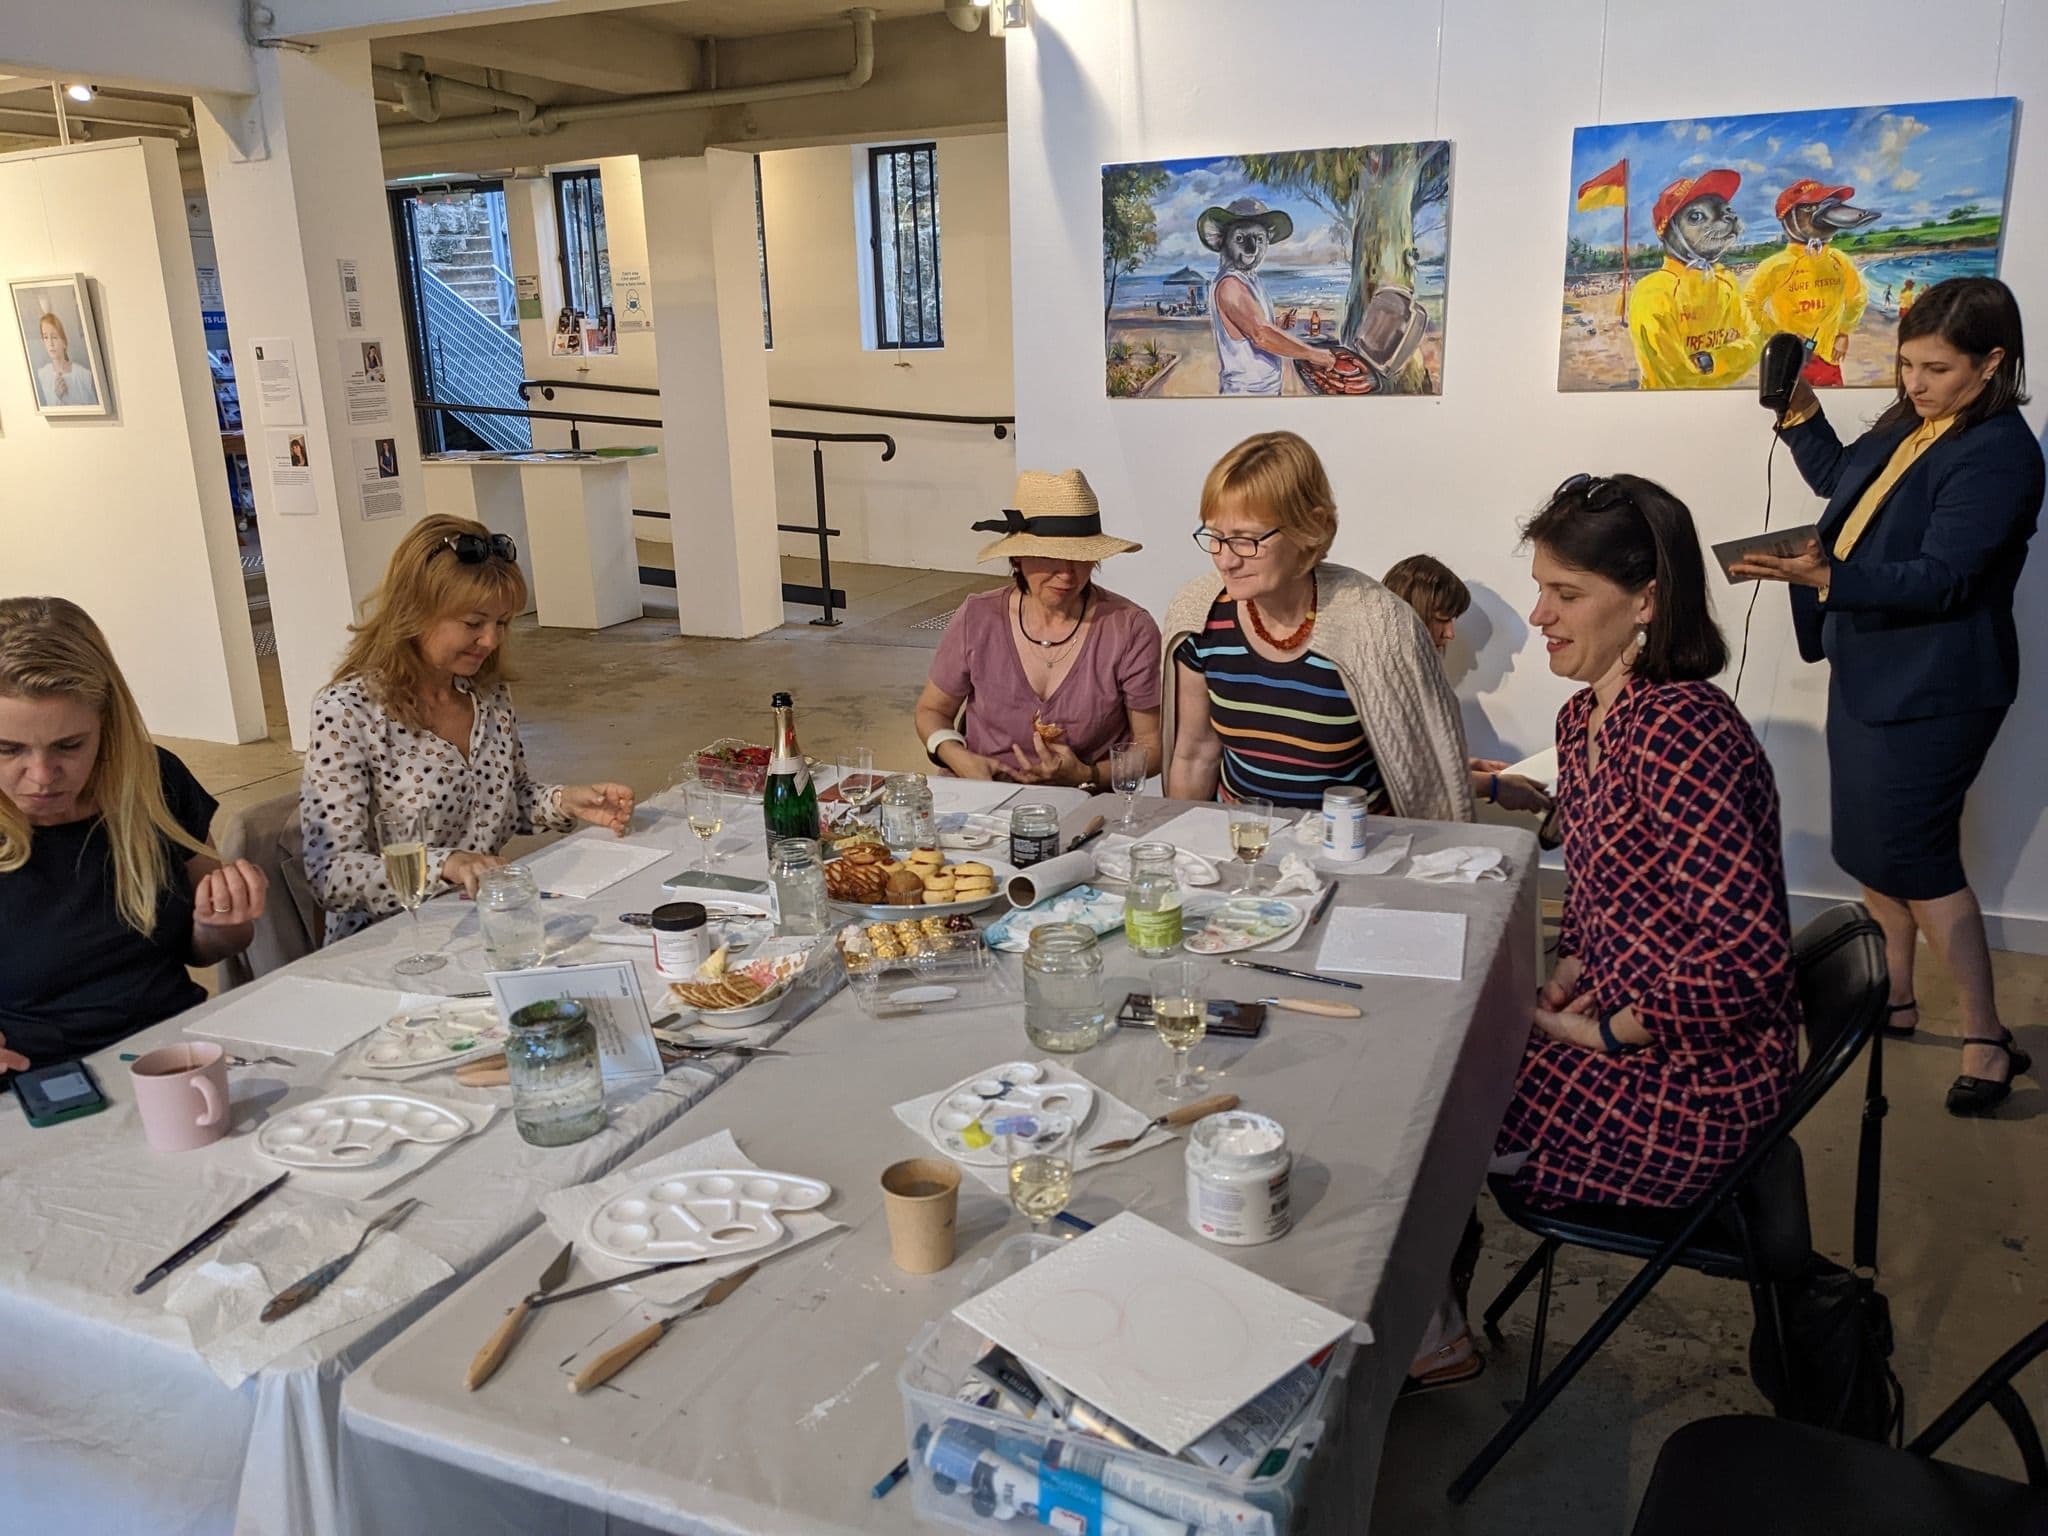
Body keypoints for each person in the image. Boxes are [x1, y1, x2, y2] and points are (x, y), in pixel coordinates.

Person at [1412, 475, 1800, 1390]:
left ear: (1648, 601)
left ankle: (1427, 1334)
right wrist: (1571, 967)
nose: (1540, 613)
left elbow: (1747, 963)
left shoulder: (1684, 733)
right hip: (1629, 1028)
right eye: (1543, 586)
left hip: (1694, 1082)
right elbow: (1598, 886)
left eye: (1567, 593)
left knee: (1428, 1113)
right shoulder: (1586, 717)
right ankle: (1433, 1315)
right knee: (1432, 1068)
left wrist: (1606, 1030)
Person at [1733, 276, 2043, 1115]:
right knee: (1866, 850)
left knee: (1917, 857)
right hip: (1870, 667)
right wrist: (1799, 413)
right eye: (1906, 365)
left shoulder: (2003, 454)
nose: (1914, 383)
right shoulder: (1915, 422)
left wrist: (1827, 575)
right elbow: (1846, 482)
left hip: (1938, 685)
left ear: (1993, 363)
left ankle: (1986, 1035)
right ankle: (1893, 997)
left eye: (1937, 369)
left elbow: (1944, 579)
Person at [300, 515, 636, 944]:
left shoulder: (487, 695)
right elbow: (331, 874)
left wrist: (566, 802)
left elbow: (508, 799)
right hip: (391, 943)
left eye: (503, 623)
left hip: (481, 929)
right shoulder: (348, 713)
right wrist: (446, 864)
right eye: (474, 624)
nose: (491, 641)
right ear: (415, 612)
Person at [0, 597, 268, 1071]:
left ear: (107, 724)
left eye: (70, 745)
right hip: (41, 1083)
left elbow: (205, 949)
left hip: (177, 1052)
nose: (41, 776)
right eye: (7, 749)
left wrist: (220, 922)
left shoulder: (152, 781)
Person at [1163, 432, 1471, 817]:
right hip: (1244, 843)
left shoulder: (1378, 626)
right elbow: (1195, 755)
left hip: (1352, 848)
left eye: (1246, 540)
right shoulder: (1200, 618)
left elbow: (1426, 781)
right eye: (1216, 536)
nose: (1225, 560)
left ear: (1311, 530)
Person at [916, 471, 1163, 787]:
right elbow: (931, 710)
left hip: (1084, 804)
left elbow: (1151, 748)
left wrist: (1088, 775)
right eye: (1051, 557)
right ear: (1018, 557)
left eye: (1080, 557)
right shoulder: (978, 617)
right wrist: (957, 757)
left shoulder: (1129, 629)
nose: (1067, 574)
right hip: (980, 797)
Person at [1382, 554, 1551, 817]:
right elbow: (1404, 775)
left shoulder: (1415, 682)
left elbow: (1415, 761)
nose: (1450, 633)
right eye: (1442, 619)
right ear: (1413, 615)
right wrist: (1493, 786)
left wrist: (1467, 765)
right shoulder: (1381, 685)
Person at [1628, 171, 1760, 390]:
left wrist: (1712, 361)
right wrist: (1732, 357)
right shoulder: (1653, 292)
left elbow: (1756, 342)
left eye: (1727, 211)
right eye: (1696, 216)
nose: (1728, 218)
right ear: (1669, 231)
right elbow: (1677, 377)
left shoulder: (1725, 280)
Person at [1743, 180, 1877, 388]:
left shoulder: (1839, 260)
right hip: (1790, 357)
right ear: (1789, 218)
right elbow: (1749, 302)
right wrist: (1778, 334)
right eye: (1809, 207)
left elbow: (1857, 298)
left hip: (1828, 356)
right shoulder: (1775, 265)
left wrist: (1843, 332)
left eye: (1828, 204)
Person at [1199, 198, 1334, 395]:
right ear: (1223, 241)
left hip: (1265, 389)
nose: (1252, 247)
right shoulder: (1230, 285)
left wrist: (1278, 323)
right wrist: (1312, 354)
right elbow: (1260, 335)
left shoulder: (1249, 279)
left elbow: (1251, 326)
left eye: (1259, 239)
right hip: (1245, 394)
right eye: (1240, 239)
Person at [33, 310, 99, 409]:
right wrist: (57, 396)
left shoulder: (83, 375)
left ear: (64, 341)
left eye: (54, 337)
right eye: (46, 337)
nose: (50, 343)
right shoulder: (43, 375)